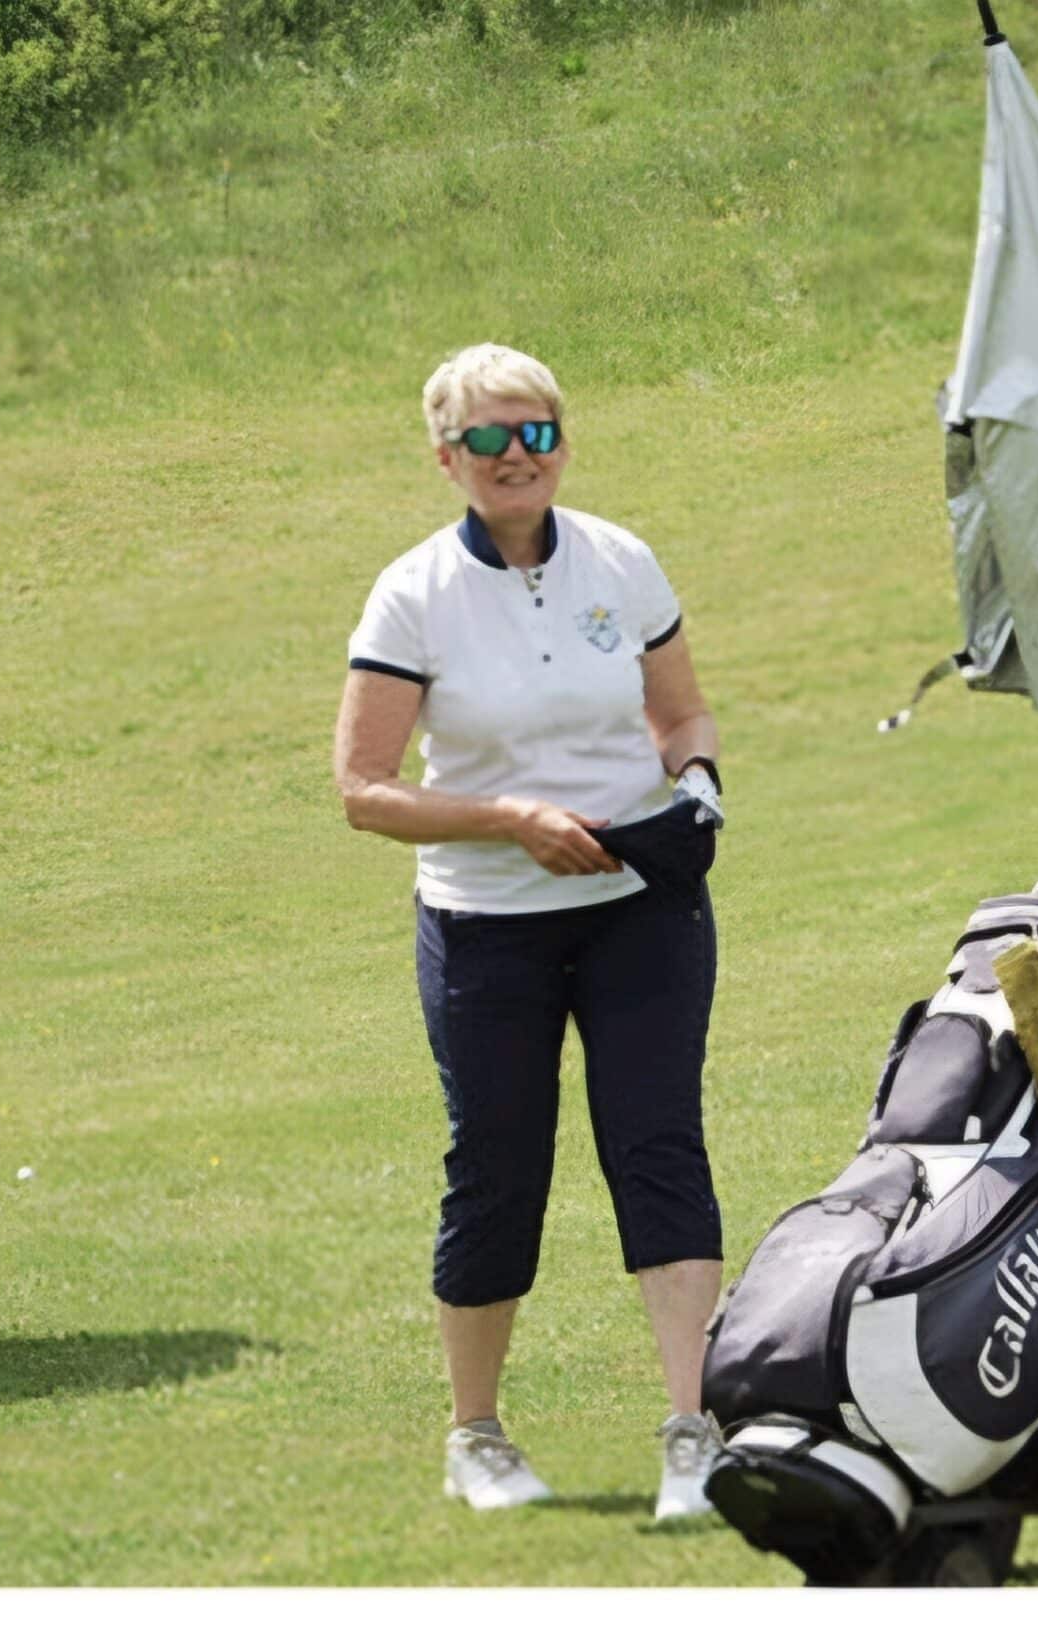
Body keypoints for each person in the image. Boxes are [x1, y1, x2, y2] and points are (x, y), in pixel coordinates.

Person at [332, 343, 730, 1517]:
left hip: (639, 909)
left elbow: (680, 711)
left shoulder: (621, 559)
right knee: (498, 1169)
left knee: (657, 1145)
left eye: (537, 433)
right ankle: (478, 1436)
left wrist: (697, 780)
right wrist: (509, 821)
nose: (519, 458)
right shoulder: (413, 593)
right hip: (487, 923)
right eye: (491, 439)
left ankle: (693, 1432)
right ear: (446, 455)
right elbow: (365, 788)